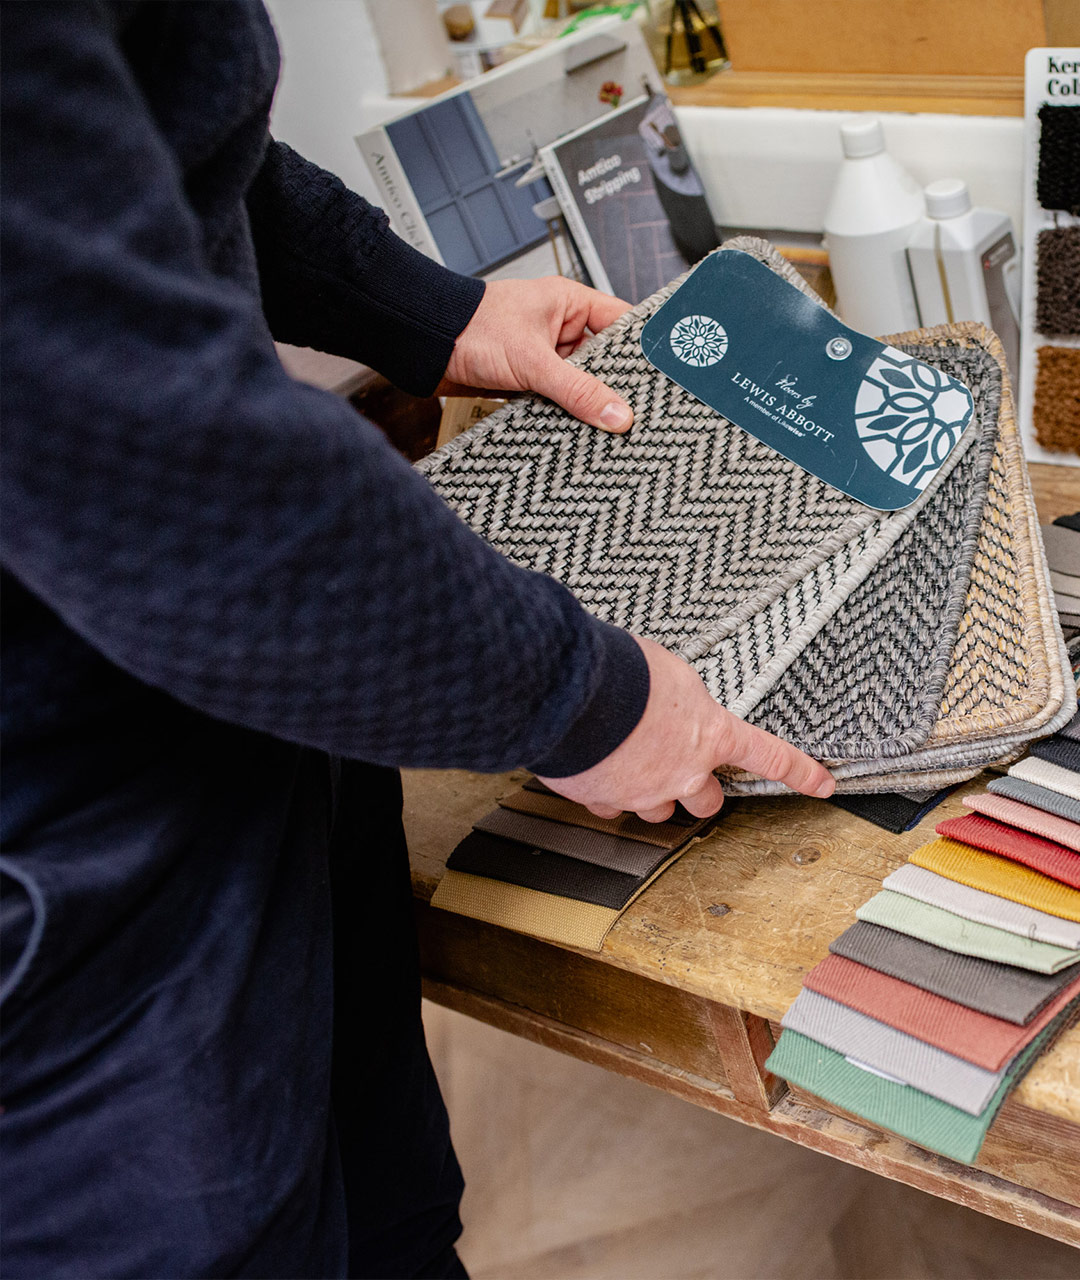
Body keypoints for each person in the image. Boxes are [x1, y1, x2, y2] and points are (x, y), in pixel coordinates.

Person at [0, 3, 834, 1275]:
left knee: (385, 1196)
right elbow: (159, 468)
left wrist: (426, 309)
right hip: (70, 865)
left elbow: (153, 139)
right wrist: (590, 701)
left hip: (240, 734)